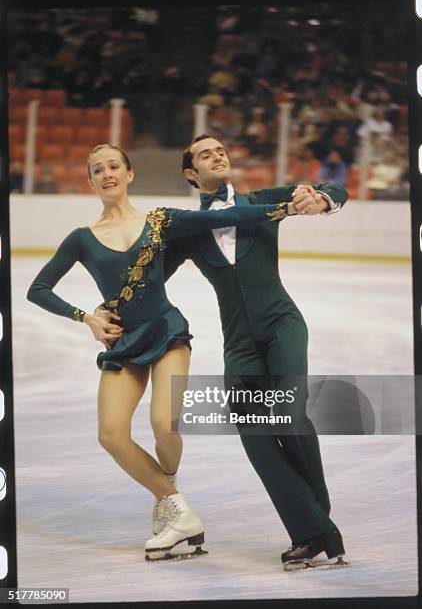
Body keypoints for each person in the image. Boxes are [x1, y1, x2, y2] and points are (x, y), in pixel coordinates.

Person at [26, 143, 297, 561]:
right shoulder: (80, 239)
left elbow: (226, 217)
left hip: (168, 333)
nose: (107, 173)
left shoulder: (161, 221)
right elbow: (37, 289)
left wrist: (283, 209)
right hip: (124, 343)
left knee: (163, 423)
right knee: (111, 434)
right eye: (98, 169)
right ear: (91, 181)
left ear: (129, 173)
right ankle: (176, 507)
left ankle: (167, 496)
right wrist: (88, 317)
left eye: (114, 165)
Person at [160, 134, 349, 571]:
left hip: (281, 322)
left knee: (290, 414)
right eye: (206, 154)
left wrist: (321, 199)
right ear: (192, 173)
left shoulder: (264, 200)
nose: (218, 155)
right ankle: (321, 532)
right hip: (238, 341)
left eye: (221, 149)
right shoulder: (189, 227)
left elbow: (334, 190)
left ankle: (313, 532)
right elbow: (153, 278)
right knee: (255, 433)